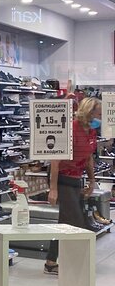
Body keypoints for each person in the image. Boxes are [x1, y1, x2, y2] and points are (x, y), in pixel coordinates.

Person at [45, 96, 101, 273]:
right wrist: (53, 189)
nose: (100, 117)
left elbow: (89, 158)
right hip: (61, 177)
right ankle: (77, 265)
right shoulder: (71, 129)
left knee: (65, 221)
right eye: (98, 113)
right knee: (76, 221)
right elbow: (55, 160)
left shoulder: (91, 131)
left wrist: (92, 181)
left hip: (76, 178)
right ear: (89, 112)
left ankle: (50, 262)